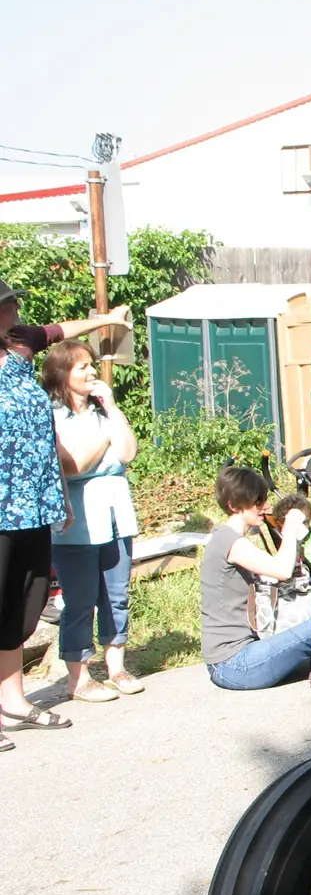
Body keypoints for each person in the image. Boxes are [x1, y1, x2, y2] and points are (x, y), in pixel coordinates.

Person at [0, 280, 132, 750]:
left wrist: (110, 318)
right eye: (6, 304)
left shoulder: (19, 348)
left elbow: (61, 330)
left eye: (13, 302)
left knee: (21, 604)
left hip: (32, 504)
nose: (14, 309)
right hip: (0, 506)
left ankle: (12, 702)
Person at [42, 340, 144, 703]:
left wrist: (112, 408)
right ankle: (79, 676)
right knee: (80, 600)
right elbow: (73, 466)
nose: (90, 372)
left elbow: (128, 452)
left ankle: (116, 667)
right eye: (81, 366)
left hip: (117, 516)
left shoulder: (104, 413)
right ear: (61, 374)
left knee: (116, 596)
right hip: (79, 522)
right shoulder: (53, 417)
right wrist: (105, 438)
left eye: (90, 365)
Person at [200, 466, 311, 690]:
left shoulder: (229, 539)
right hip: (234, 665)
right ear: (234, 505)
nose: (265, 507)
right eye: (258, 502)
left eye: (265, 500)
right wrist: (291, 527)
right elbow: (282, 570)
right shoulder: (229, 542)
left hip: (240, 657)